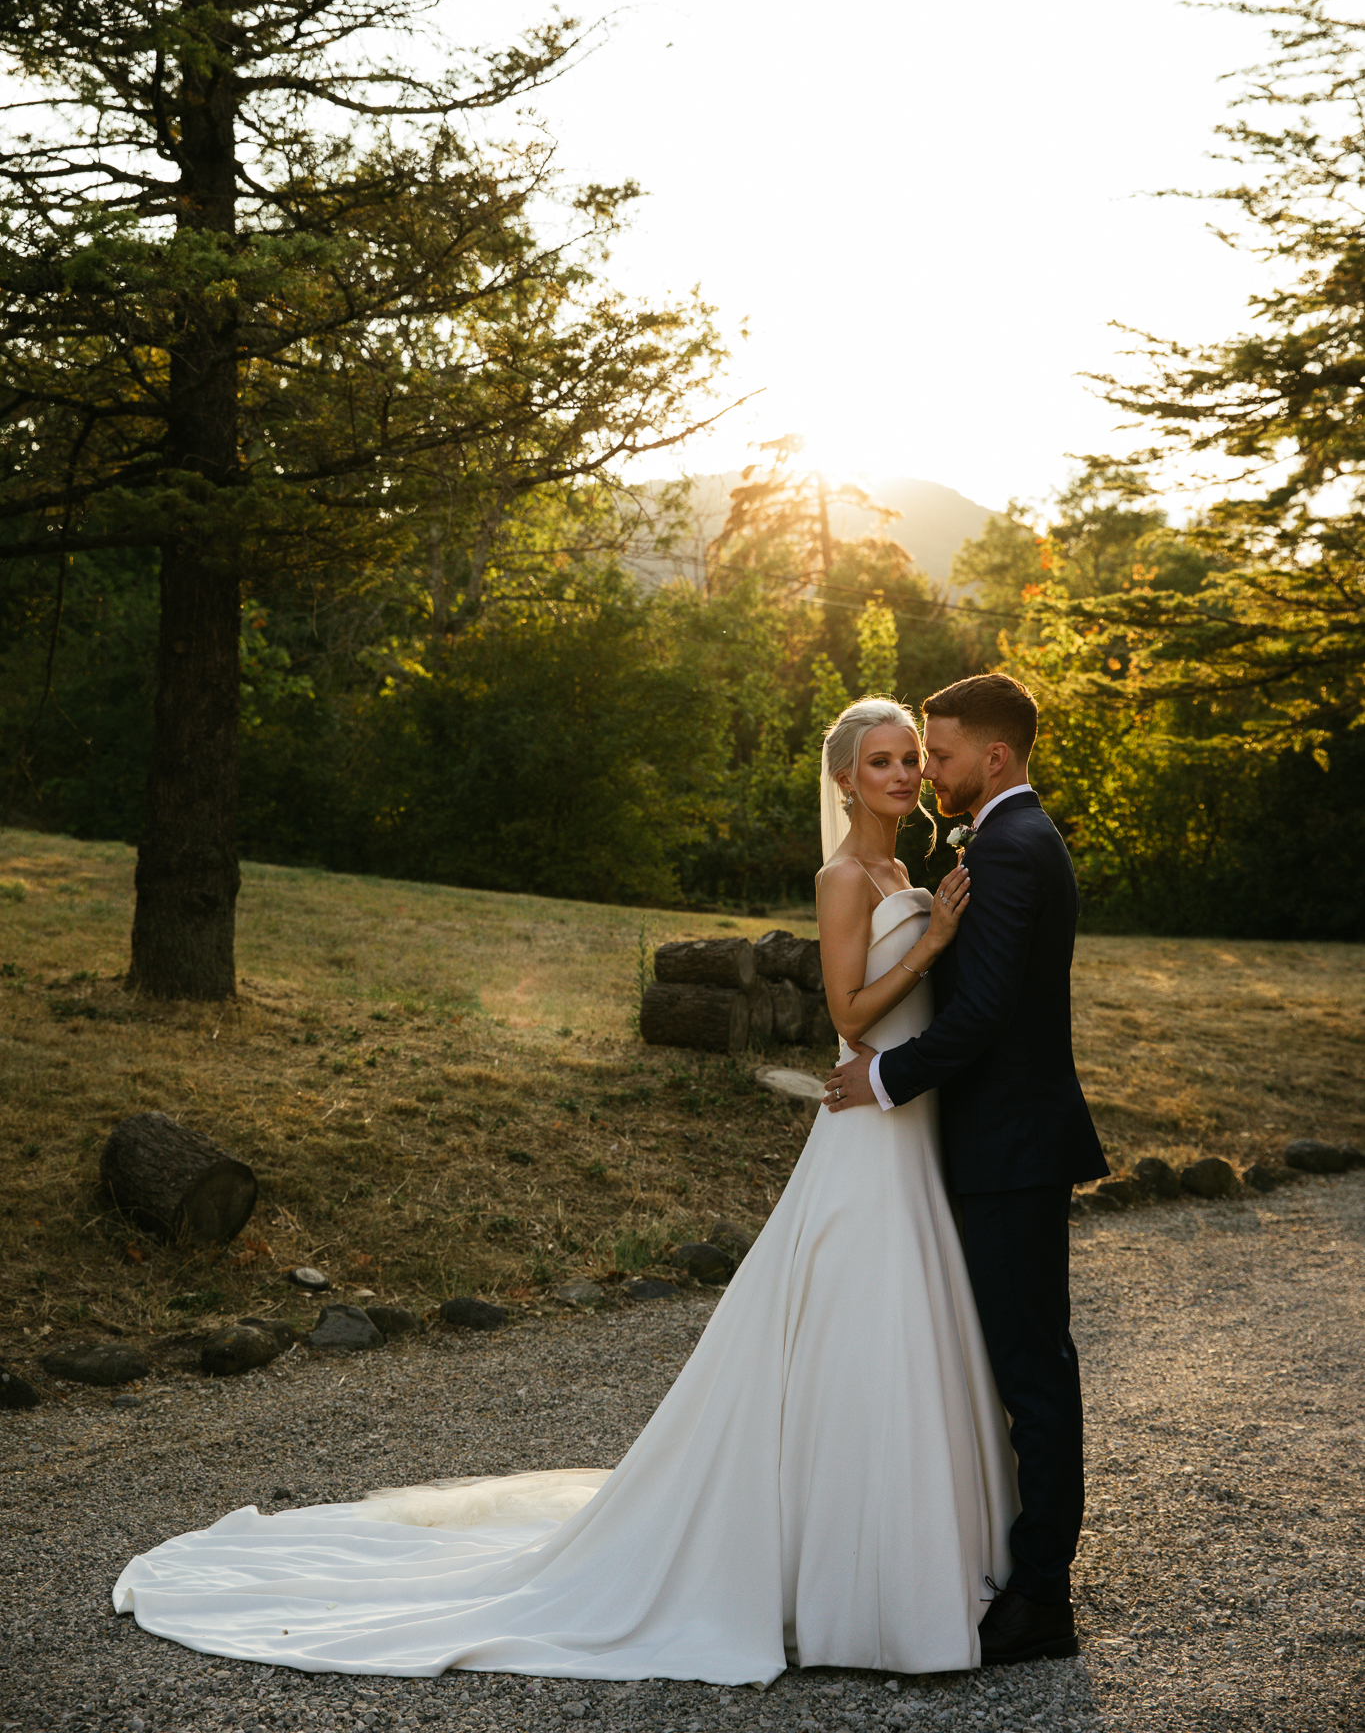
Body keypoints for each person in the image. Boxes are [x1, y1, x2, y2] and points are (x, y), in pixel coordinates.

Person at [112, 698, 1018, 1683]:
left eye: (908, 761)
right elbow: (845, 1011)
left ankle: (902, 1564)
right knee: (857, 1327)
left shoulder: (906, 872)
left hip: (908, 1133)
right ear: (845, 779)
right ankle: (850, 1592)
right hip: (863, 1141)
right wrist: (929, 946)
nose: (902, 775)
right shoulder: (843, 877)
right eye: (881, 761)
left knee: (902, 1330)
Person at [824, 672, 1108, 1668]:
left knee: (1034, 1370)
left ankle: (1039, 1597)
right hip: (989, 1145)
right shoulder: (995, 841)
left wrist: (886, 1076)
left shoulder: (1014, 847)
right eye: (910, 755)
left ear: (994, 756)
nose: (926, 769)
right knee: (1010, 1364)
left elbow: (983, 1011)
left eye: (937, 754)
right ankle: (1011, 1568)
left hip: (1011, 1148)